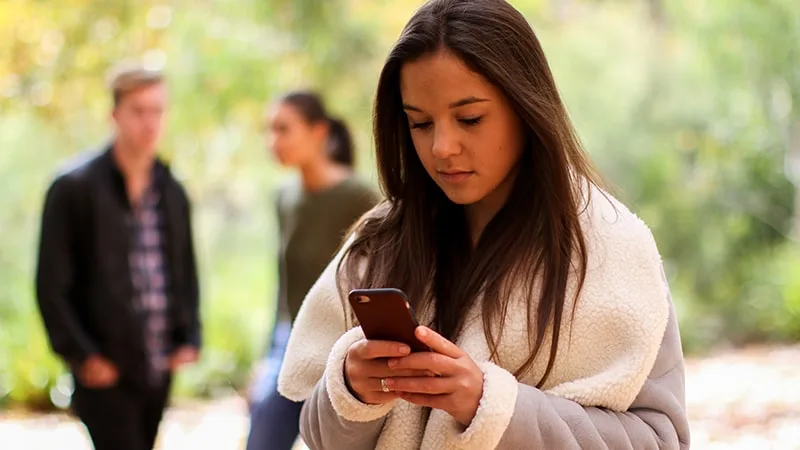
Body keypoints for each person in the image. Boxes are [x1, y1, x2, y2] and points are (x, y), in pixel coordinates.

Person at [276, 1, 691, 449]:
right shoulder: (378, 243)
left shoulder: (610, 246)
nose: (442, 147)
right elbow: (315, 435)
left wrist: (490, 406)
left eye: (470, 118)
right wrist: (352, 388)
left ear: (525, 105)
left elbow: (658, 440)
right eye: (420, 123)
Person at [34, 63, 201, 450]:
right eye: (138, 111)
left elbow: (185, 268)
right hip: (104, 366)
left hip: (158, 362)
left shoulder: (171, 189)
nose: (149, 122)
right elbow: (51, 284)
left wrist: (189, 333)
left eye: (157, 111)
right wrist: (82, 354)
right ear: (115, 114)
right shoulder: (73, 188)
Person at [245, 91, 381, 450]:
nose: (273, 141)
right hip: (288, 345)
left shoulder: (360, 198)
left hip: (342, 349)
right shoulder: (285, 198)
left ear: (319, 132)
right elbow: (284, 284)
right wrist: (265, 357)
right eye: (269, 130)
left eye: (283, 129)